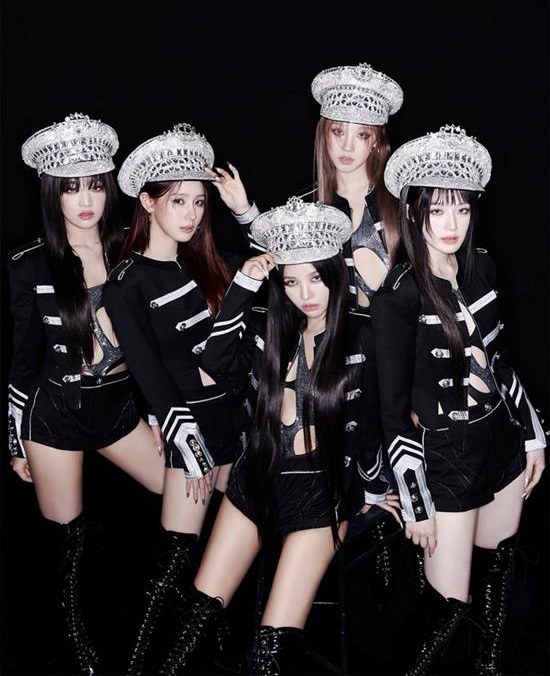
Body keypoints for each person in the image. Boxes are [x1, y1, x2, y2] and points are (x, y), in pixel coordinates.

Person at [155, 197, 400, 675]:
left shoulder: (366, 334)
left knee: (269, 653)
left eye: (316, 278)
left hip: (320, 494)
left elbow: (379, 418)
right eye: (291, 281)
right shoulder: (271, 331)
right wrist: (244, 285)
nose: (305, 293)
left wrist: (374, 485)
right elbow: (213, 363)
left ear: (335, 274)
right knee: (194, 625)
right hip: (256, 480)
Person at [371, 125, 546, 675]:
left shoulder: (482, 268)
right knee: (447, 611)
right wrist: (416, 501)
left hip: (501, 441)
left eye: (462, 209)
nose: (451, 224)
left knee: (500, 573)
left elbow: (499, 359)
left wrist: (533, 434)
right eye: (438, 209)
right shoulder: (398, 295)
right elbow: (392, 411)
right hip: (445, 459)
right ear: (414, 211)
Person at [7, 113, 166, 675]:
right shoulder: (29, 265)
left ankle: (163, 619)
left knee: (183, 491)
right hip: (54, 417)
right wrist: (15, 441)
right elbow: (22, 361)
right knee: (66, 542)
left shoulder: (133, 251)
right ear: (53, 193)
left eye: (95, 186)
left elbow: (159, 346)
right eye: (71, 188)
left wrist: (162, 415)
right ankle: (77, 652)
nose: (85, 200)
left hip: (118, 410)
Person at [103, 123, 258, 674]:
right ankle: (142, 664)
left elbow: (285, 265)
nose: (191, 214)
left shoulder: (201, 261)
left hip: (238, 424)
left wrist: (245, 213)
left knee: (228, 554)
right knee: (175, 558)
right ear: (148, 202)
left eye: (198, 201)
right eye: (177, 201)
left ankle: (205, 653)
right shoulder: (127, 282)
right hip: (193, 430)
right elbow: (149, 373)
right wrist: (184, 439)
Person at [311, 62, 403, 308]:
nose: (347, 146)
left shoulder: (402, 203)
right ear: (324, 134)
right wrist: (244, 212)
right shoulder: (307, 206)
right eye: (338, 132)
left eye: (362, 135)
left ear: (376, 142)